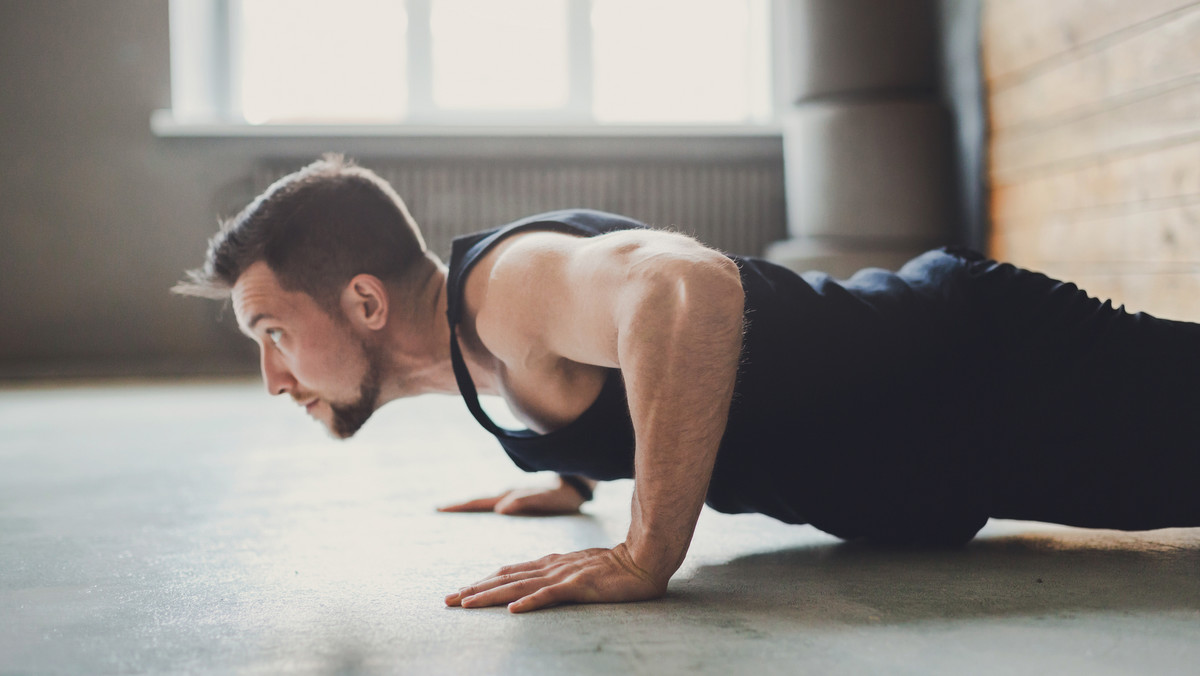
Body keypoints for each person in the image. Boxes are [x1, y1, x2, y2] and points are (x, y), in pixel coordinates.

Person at [174, 155, 1200, 613]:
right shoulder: (472, 352)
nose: (271, 377)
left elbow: (688, 290)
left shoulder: (509, 288)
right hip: (960, 456)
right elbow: (596, 376)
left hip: (983, 373)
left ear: (362, 303)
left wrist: (645, 550)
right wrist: (570, 476)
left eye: (272, 331)